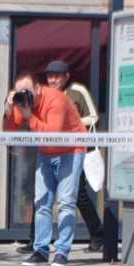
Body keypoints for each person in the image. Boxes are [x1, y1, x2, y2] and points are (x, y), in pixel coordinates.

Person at [3, 72, 87, 266]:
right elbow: (9, 132)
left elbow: (52, 134)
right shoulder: (24, 103)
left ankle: (62, 251)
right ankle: (40, 250)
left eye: (28, 92)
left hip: (71, 149)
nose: (25, 96)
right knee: (41, 202)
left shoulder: (56, 99)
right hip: (45, 152)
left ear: (38, 89)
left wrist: (28, 116)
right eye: (20, 92)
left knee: (66, 201)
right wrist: (8, 109)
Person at [44, 60, 108, 253]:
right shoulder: (45, 94)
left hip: (76, 151)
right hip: (52, 151)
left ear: (66, 76)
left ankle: (98, 235)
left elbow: (94, 117)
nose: (52, 79)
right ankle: (35, 241)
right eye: (49, 75)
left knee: (78, 194)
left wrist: (71, 123)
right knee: (44, 194)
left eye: (56, 75)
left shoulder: (77, 91)